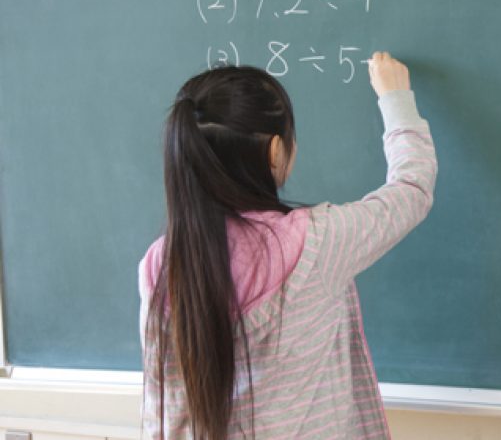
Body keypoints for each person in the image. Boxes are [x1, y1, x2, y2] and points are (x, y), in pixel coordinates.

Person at [138, 52, 437, 438]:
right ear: (276, 151)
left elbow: (163, 404)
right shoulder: (316, 241)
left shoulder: (161, 264)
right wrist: (395, 98)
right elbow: (410, 191)